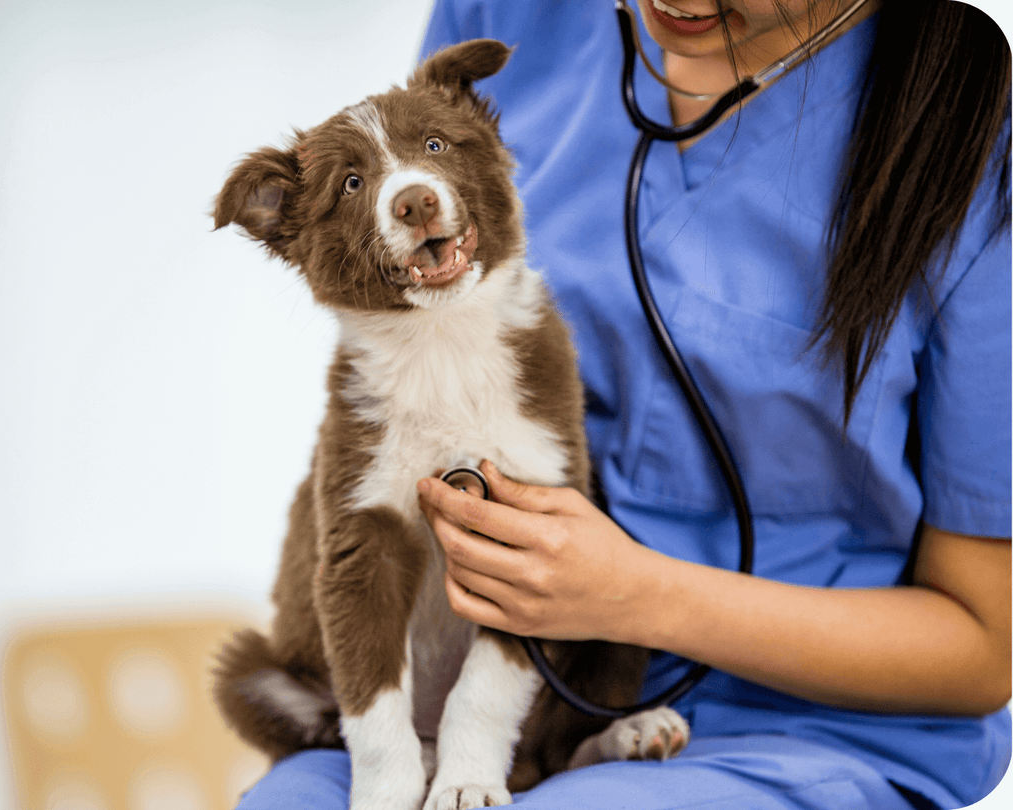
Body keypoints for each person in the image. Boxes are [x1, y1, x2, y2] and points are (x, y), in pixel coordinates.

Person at [236, 1, 1011, 808]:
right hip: (468, 681)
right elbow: (396, 306)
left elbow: (984, 646)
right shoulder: (509, 16)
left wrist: (637, 596)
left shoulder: (981, 141)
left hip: (807, 728)